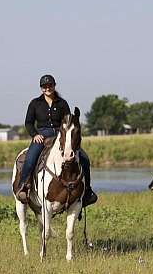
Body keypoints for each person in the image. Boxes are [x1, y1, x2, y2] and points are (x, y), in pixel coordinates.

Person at [16, 74, 98, 208]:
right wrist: (35, 135)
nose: (47, 88)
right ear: (41, 88)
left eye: (50, 85)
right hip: (42, 135)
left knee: (84, 159)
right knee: (30, 158)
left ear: (54, 86)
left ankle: (87, 191)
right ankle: (24, 186)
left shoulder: (62, 103)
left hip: (61, 136)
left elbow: (68, 121)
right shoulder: (35, 103)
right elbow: (28, 123)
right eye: (44, 86)